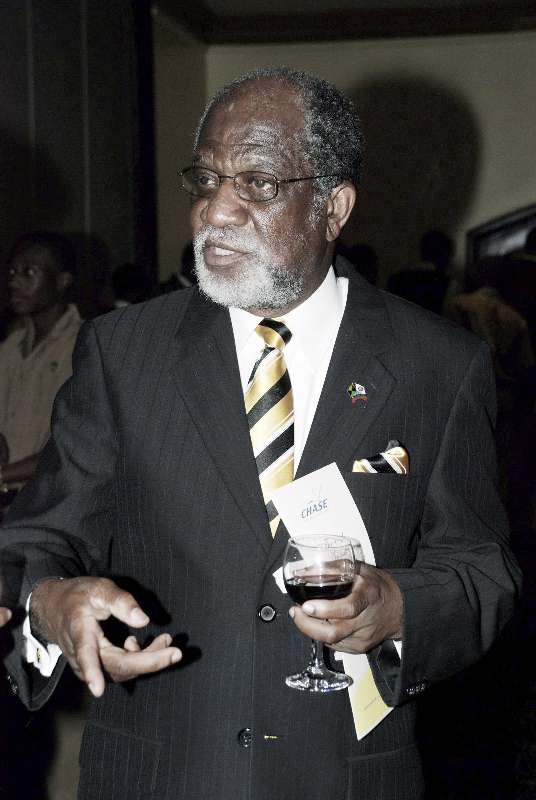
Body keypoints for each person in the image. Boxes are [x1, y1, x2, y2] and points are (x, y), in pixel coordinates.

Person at [0, 68, 520, 800]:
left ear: (333, 207)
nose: (216, 210)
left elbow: (481, 570)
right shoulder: (123, 353)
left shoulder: (438, 363)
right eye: (206, 180)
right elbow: (34, 539)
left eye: (259, 183)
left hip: (346, 779)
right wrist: (49, 602)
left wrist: (400, 608)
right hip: (160, 777)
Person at [0, 231, 82, 493]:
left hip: (50, 502)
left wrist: (4, 476)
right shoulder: (11, 347)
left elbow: (73, 447)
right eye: (12, 272)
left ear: (62, 281)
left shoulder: (84, 347)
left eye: (29, 272)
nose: (14, 282)